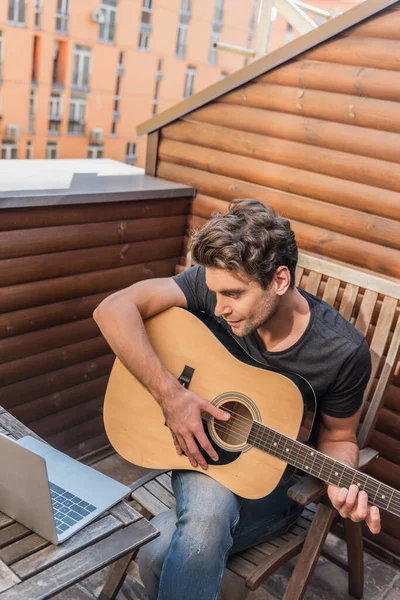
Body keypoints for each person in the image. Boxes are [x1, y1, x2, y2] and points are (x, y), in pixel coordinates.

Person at [94, 199, 380, 600]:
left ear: (279, 280)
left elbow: (339, 437)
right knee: (205, 517)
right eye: (214, 293)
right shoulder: (214, 286)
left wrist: (340, 480)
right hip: (204, 462)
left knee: (159, 551)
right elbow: (113, 309)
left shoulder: (341, 351)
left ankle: (173, 533)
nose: (219, 306)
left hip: (271, 488)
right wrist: (172, 397)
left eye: (233, 295)